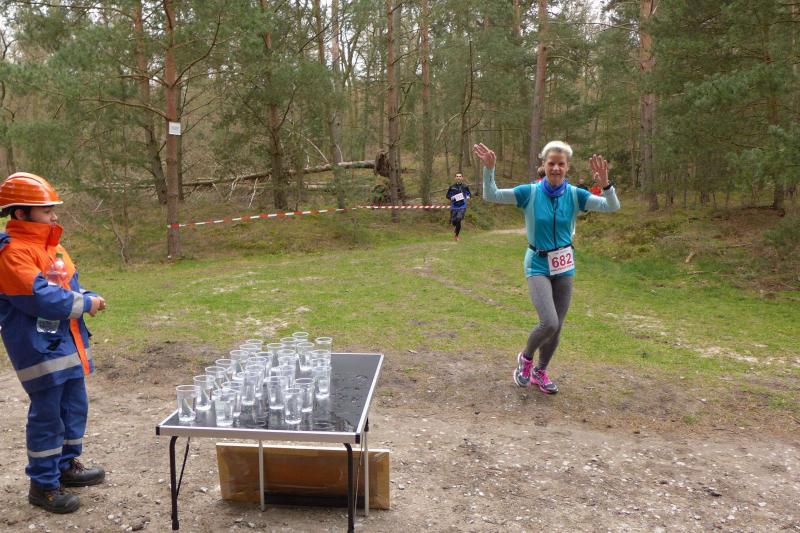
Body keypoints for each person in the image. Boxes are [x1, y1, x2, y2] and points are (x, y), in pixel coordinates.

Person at [473, 141, 620, 394]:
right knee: (549, 323)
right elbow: (491, 195)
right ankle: (526, 358)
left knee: (557, 328)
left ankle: (540, 372)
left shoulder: (575, 195)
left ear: (567, 167)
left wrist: (606, 184)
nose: (556, 168)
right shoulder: (529, 193)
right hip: (538, 264)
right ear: (544, 164)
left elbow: (612, 206)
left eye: (561, 164)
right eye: (551, 163)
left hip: (564, 265)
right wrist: (489, 169)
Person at [0, 172, 107, 514]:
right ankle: (43, 485)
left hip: (67, 344)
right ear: (21, 213)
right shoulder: (11, 253)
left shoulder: (52, 246)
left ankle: (65, 467)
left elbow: (67, 287)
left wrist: (88, 295)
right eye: (46, 211)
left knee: (74, 407)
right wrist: (85, 303)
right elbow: (40, 298)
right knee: (48, 415)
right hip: (38, 349)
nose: (54, 216)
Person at [446, 172, 471, 241]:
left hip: (462, 205)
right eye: (457, 176)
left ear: (462, 178)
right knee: (453, 221)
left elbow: (469, 194)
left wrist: (468, 196)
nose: (458, 177)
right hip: (454, 206)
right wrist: (451, 197)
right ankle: (456, 228)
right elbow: (447, 196)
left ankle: (456, 236)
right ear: (455, 178)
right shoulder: (452, 187)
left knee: (459, 219)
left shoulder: (465, 186)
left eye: (460, 176)